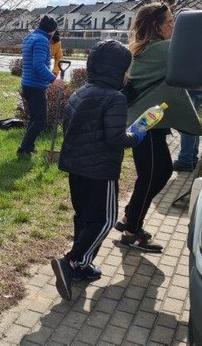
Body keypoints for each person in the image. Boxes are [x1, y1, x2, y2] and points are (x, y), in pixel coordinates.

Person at [114, 2, 202, 252]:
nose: (174, 26)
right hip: (145, 124)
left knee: (157, 172)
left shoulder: (149, 48)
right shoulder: (161, 49)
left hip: (146, 123)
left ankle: (130, 218)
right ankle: (132, 231)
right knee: (154, 174)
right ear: (156, 26)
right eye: (169, 22)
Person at [51, 40, 143, 301]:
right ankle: (71, 261)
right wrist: (136, 135)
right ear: (119, 70)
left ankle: (82, 266)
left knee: (84, 217)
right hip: (100, 171)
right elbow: (115, 139)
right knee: (104, 220)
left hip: (76, 168)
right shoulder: (115, 98)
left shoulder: (81, 92)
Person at [18, 15, 64, 156]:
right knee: (40, 121)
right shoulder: (42, 40)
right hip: (36, 86)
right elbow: (38, 65)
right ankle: (24, 148)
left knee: (34, 118)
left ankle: (29, 147)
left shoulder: (30, 37)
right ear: (52, 30)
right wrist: (53, 80)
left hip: (27, 83)